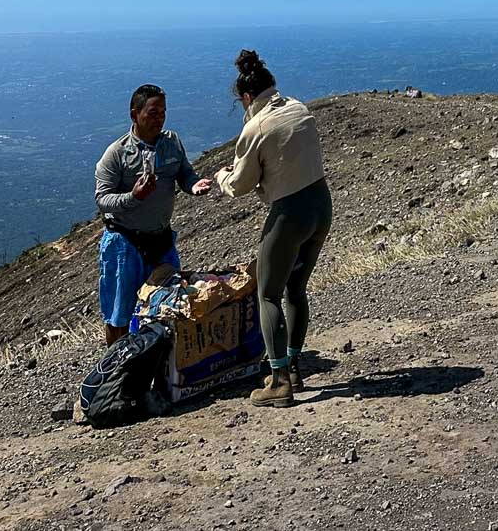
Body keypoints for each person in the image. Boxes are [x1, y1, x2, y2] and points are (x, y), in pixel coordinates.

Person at [215, 49, 332, 408]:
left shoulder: (256, 127)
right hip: (321, 205)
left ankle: (279, 382)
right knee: (296, 289)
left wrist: (220, 176)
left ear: (247, 97)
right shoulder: (298, 108)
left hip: (289, 214)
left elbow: (240, 185)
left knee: (267, 294)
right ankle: (294, 366)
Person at [95, 84, 212, 344]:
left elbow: (184, 173)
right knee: (119, 315)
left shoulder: (171, 143)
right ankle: (118, 370)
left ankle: (158, 369)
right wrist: (133, 197)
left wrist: (193, 185)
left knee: (168, 305)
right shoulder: (117, 154)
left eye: (163, 112)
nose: (159, 118)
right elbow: (102, 200)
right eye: (153, 112)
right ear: (134, 114)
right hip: (125, 244)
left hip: (161, 240)